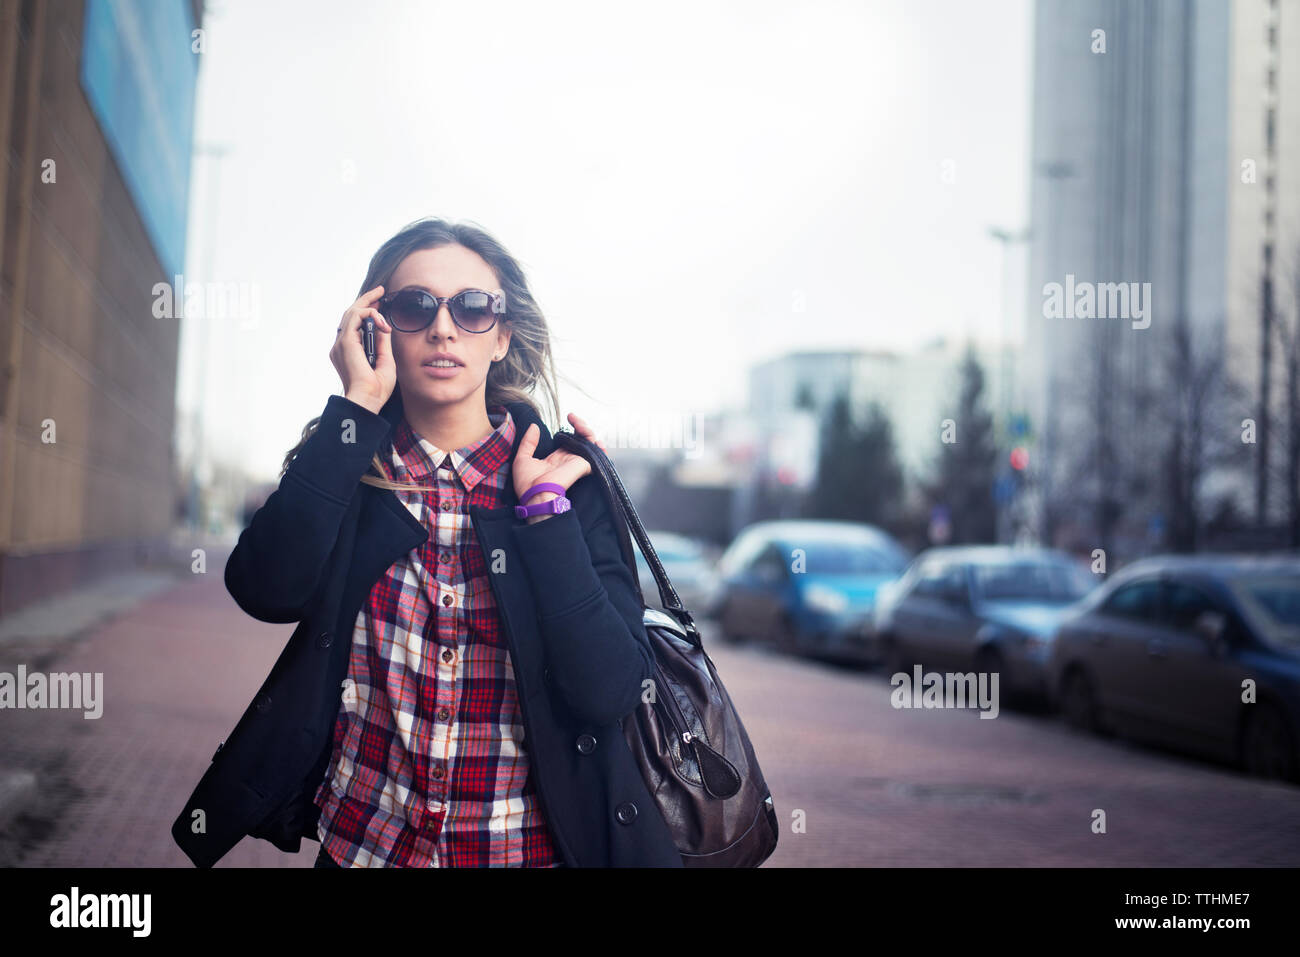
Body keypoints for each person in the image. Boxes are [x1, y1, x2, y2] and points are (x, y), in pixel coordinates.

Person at [171, 217, 682, 868]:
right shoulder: (346, 467)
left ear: (501, 335)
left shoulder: (568, 484)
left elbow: (610, 690)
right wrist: (354, 408)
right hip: (364, 850)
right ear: (373, 329)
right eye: (414, 305)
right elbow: (263, 589)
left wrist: (546, 519)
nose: (444, 328)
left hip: (524, 854)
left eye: (473, 308)